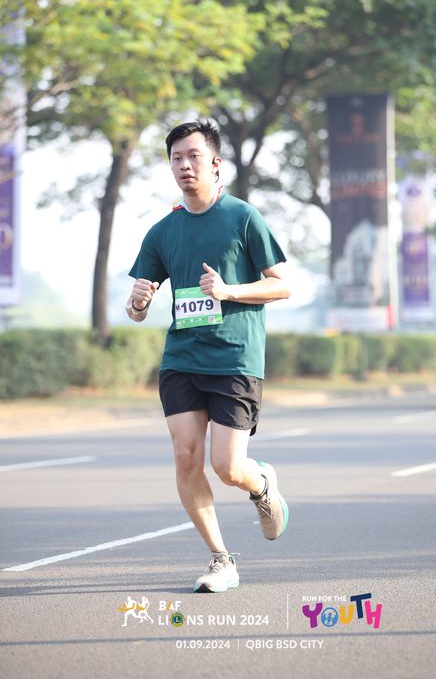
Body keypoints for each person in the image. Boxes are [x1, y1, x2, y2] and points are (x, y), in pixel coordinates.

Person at [126, 119, 291, 593]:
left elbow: (282, 285)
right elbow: (136, 310)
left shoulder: (243, 217)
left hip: (235, 359)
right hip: (181, 358)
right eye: (176, 158)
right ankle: (221, 559)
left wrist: (228, 290)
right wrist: (138, 303)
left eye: (193, 156)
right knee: (185, 457)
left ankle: (261, 484)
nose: (184, 165)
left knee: (228, 467)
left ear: (215, 163)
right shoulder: (163, 231)